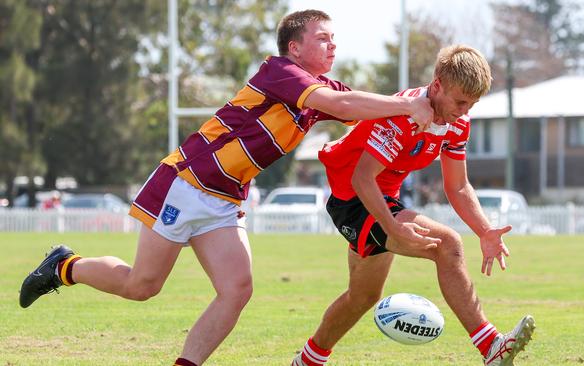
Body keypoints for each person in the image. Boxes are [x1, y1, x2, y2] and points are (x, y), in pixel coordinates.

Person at [18, 9, 436, 366]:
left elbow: (359, 106)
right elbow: (345, 107)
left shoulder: (324, 90)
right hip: (185, 183)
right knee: (141, 286)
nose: (332, 46)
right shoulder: (280, 72)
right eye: (322, 38)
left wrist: (428, 99)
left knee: (237, 289)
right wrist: (406, 105)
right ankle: (64, 266)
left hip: (224, 200)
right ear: (294, 47)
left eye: (334, 39)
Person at [291, 45, 535, 366]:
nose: (464, 111)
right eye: (460, 101)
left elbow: (458, 186)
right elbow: (363, 179)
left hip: (382, 201)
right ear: (437, 86)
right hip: (353, 199)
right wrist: (393, 226)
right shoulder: (404, 114)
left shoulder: (458, 122)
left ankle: (306, 362)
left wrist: (485, 230)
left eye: (472, 104)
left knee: (362, 297)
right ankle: (491, 346)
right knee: (447, 244)